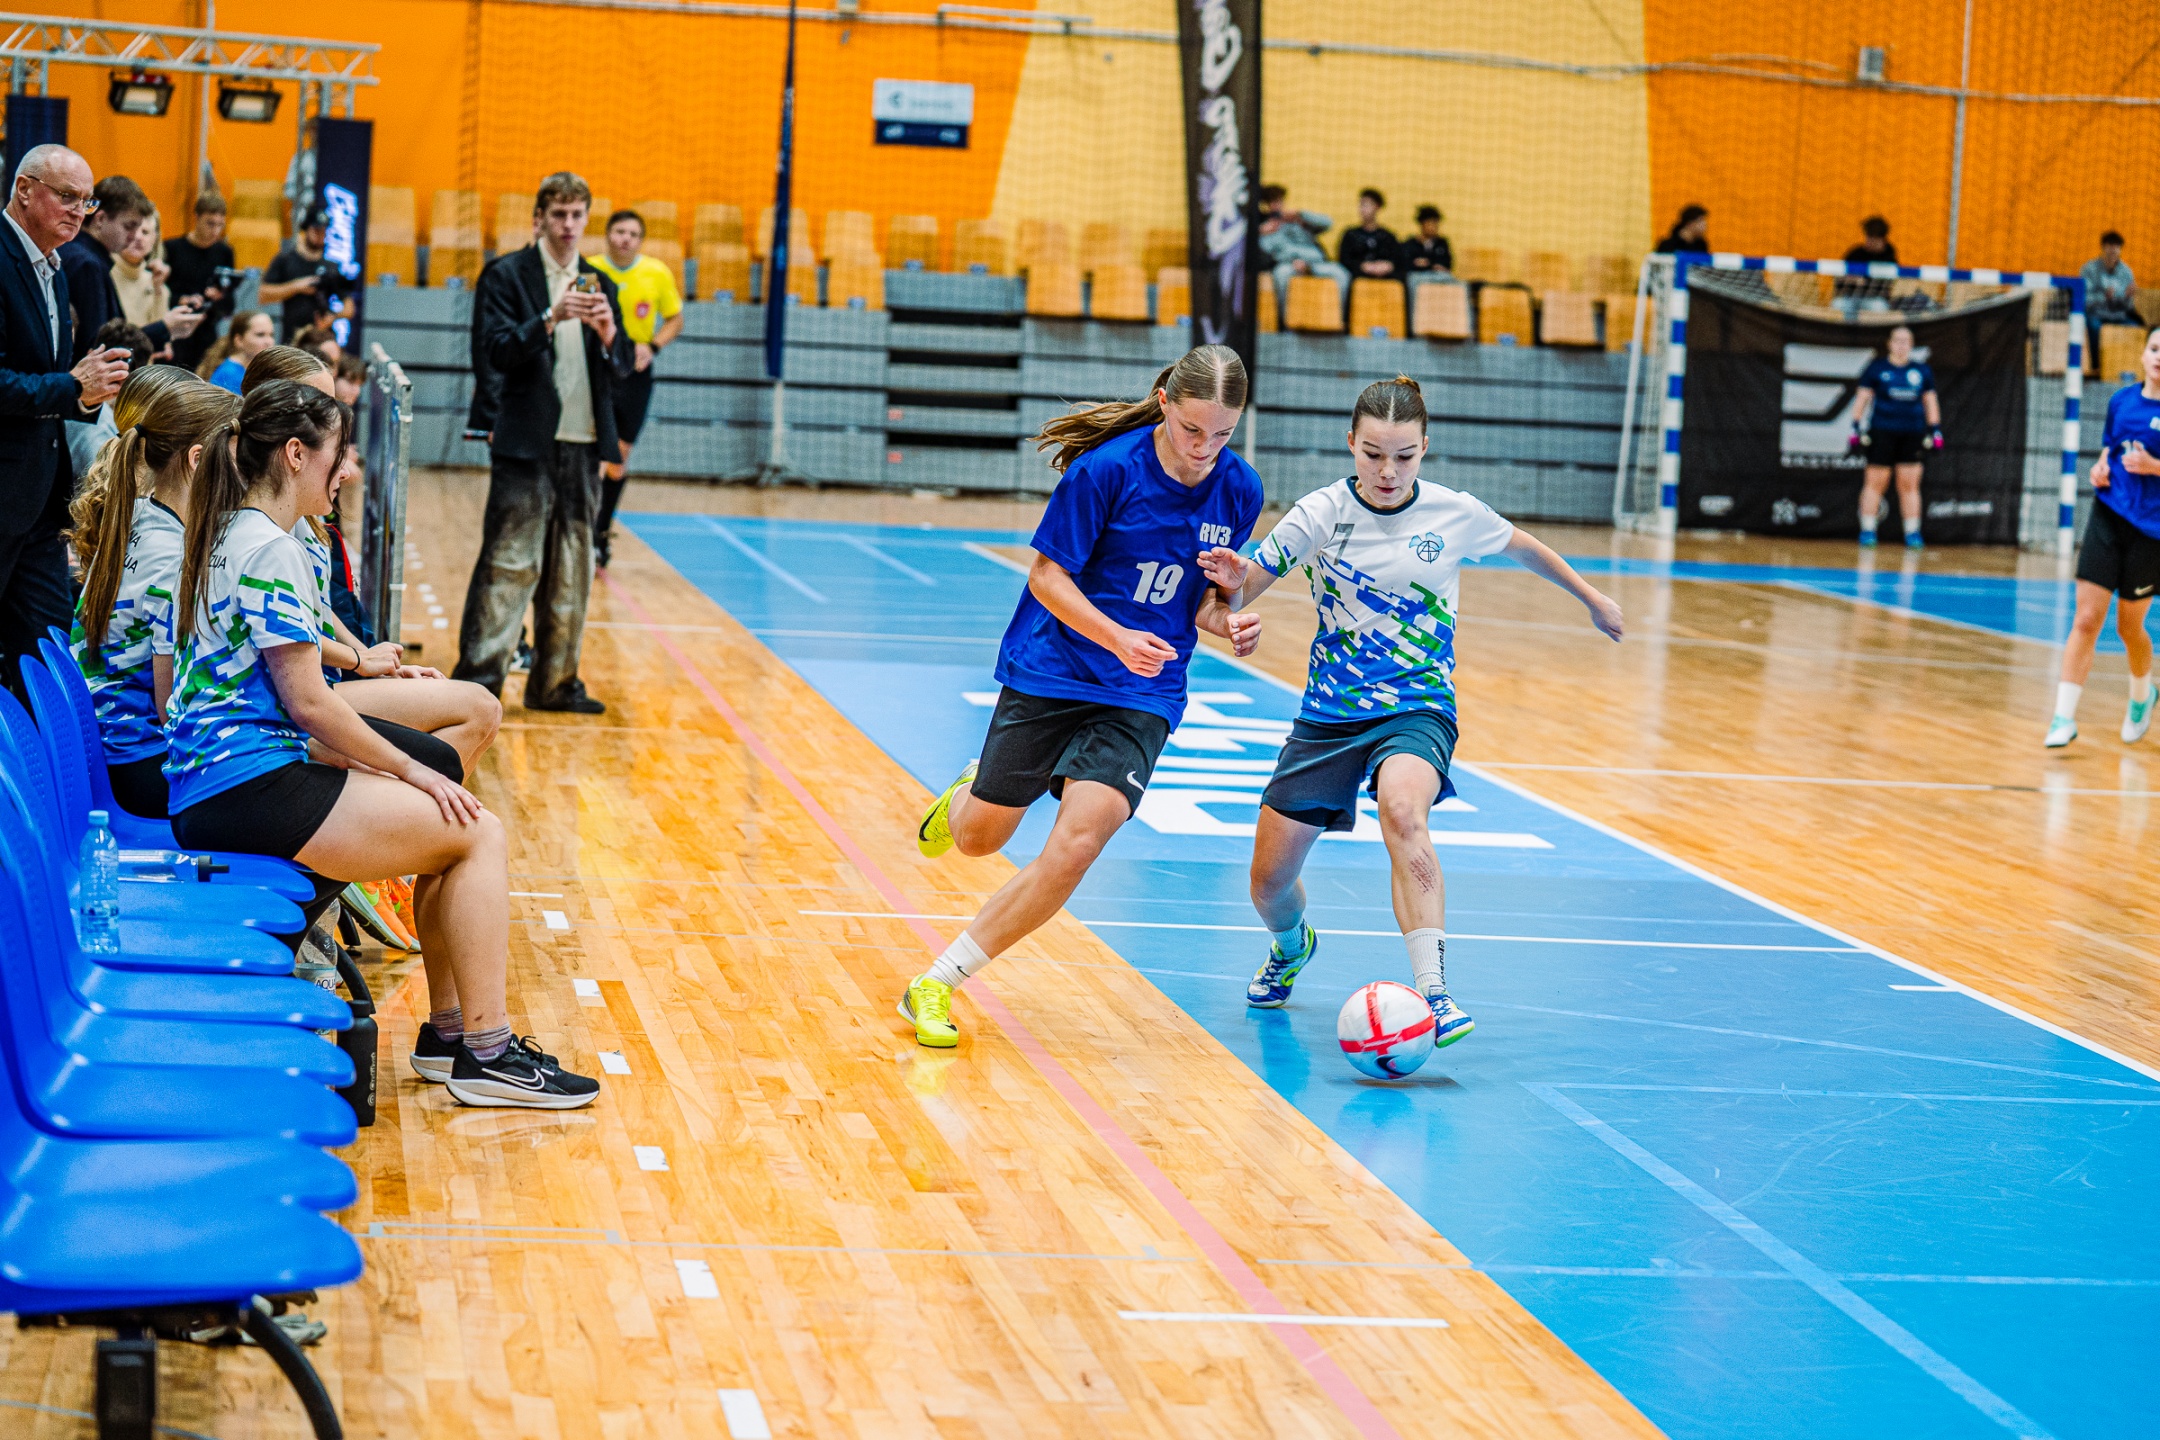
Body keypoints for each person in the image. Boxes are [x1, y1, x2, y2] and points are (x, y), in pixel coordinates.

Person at [166, 379, 598, 1107]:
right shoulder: (269, 547)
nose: (347, 469)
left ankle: (452, 1038)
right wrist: (410, 772)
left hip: (222, 778)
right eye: (337, 454)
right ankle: (486, 1054)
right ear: (296, 455)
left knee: (449, 831)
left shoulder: (232, 532)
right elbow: (309, 704)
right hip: (244, 786)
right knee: (477, 832)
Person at [1196, 376, 1623, 1044]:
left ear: (1425, 448)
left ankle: (1436, 991)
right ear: (1351, 444)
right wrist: (1230, 599)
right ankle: (1291, 946)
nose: (1388, 471)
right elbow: (1240, 591)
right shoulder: (1319, 513)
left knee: (1403, 809)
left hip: (1418, 704)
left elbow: (1524, 547)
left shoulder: (1454, 513)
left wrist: (1592, 598)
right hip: (1330, 713)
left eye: (1403, 455)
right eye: (1373, 454)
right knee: (1268, 884)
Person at [904, 346, 1264, 1047]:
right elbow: (1046, 578)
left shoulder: (1239, 488)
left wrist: (1230, 620)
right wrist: (1117, 637)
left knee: (1077, 844)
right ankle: (969, 794)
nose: (1204, 447)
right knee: (979, 841)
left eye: (1222, 433)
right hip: (1055, 667)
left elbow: (1202, 603)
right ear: (1164, 403)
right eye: (1192, 429)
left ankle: (937, 981)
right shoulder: (1106, 471)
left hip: (1143, 689)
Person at [243, 343, 503, 775]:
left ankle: (410, 804)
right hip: (278, 713)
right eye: (318, 404)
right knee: (466, 726)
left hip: (303, 691)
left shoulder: (293, 511)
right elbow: (290, 651)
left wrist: (367, 659)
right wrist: (361, 663)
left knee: (476, 717)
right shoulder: (264, 529)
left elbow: (311, 609)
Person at [452, 172, 631, 715]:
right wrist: (550, 318)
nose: (569, 225)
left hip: (583, 442)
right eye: (559, 215)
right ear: (539, 219)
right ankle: (478, 682)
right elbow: (494, 352)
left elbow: (624, 367)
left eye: (577, 215)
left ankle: (555, 683)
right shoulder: (507, 275)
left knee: (573, 569)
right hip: (526, 439)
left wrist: (609, 335)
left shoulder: (602, 284)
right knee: (510, 563)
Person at [68, 368, 240, 817]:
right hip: (137, 765)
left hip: (109, 750)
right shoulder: (174, 559)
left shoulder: (137, 514)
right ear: (199, 460)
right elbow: (171, 710)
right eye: (238, 457)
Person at [1, 143, 132, 695]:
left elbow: (55, 382)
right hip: (5, 491)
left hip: (38, 500)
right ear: (24, 190)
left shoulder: (54, 269)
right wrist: (73, 386)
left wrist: (86, 395)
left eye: (87, 200)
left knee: (48, 652)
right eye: (68, 196)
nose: (80, 211)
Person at [2046, 326, 2160, 749]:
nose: (2159, 357)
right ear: (2143, 354)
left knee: (2129, 627)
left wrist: (2154, 467)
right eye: (2154, 348)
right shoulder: (2121, 401)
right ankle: (2062, 718)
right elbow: (2109, 449)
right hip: (2108, 516)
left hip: (2151, 532)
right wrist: (2100, 468)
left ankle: (2142, 696)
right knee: (2086, 618)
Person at [586, 209, 682, 568]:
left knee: (618, 459)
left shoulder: (656, 272)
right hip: (597, 367)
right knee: (589, 451)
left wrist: (652, 346)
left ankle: (601, 531)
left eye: (633, 234)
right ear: (608, 235)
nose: (625, 239)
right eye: (619, 231)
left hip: (634, 373)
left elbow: (675, 318)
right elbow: (579, 314)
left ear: (640, 241)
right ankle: (579, 530)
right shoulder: (590, 269)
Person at [57, 174, 202, 365]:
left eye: (141, 229)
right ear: (100, 219)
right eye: (129, 226)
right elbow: (99, 349)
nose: (134, 236)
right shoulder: (87, 264)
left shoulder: (82, 255)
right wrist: (164, 328)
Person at [1849, 325, 1942, 548]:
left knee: (1909, 484)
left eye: (1906, 341)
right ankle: (1868, 530)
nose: (1901, 345)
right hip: (1882, 431)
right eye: (1897, 341)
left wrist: (1935, 429)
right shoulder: (1877, 368)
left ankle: (1912, 532)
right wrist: (1855, 426)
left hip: (1912, 433)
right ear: (1890, 344)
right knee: (1875, 482)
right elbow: (1862, 397)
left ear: (1911, 345)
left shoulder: (1921, 371)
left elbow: (1930, 400)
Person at [162, 191, 235, 373]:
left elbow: (229, 304)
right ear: (196, 217)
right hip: (176, 331)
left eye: (220, 225)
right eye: (210, 223)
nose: (215, 231)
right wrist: (182, 300)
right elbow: (158, 294)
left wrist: (218, 297)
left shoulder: (224, 252)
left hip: (206, 332)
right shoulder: (172, 248)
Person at [1258, 184, 1349, 307]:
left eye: (1279, 201)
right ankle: (1284, 318)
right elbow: (1266, 250)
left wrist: (1301, 214)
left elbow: (1328, 223)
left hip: (1315, 263)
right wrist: (1260, 232)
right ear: (1267, 205)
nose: (1277, 205)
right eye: (1272, 202)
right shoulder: (1269, 228)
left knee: (1341, 274)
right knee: (1280, 274)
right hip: (1290, 264)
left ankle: (1339, 316)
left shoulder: (1299, 220)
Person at [260, 208, 331, 341]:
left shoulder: (331, 266)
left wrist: (333, 317)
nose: (320, 236)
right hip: (292, 335)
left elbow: (349, 307)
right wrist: (297, 286)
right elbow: (263, 294)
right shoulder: (285, 260)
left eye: (323, 232)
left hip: (321, 335)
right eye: (316, 230)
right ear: (306, 229)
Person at [111, 206, 170, 334]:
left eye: (145, 232)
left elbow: (162, 338)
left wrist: (158, 291)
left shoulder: (158, 285)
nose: (138, 237)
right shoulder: (104, 273)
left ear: (154, 239)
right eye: (132, 229)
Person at [197, 308, 276, 392]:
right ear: (239, 340)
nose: (269, 342)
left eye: (271, 335)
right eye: (260, 335)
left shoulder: (259, 370)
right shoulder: (229, 374)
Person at [1838, 216, 1898, 314]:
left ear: (1882, 239)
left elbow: (1884, 286)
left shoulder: (1889, 259)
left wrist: (1862, 280)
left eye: (1873, 239)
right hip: (1851, 296)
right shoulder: (1855, 253)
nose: (1869, 242)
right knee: (1838, 304)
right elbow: (1840, 277)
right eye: (1868, 237)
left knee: (1878, 307)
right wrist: (1849, 279)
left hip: (1875, 299)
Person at [2081, 232, 2141, 329]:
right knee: (2094, 327)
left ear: (2120, 249)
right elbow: (2084, 299)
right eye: (2110, 245)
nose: (2113, 250)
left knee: (2134, 327)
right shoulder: (2089, 269)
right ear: (2103, 247)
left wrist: (2127, 297)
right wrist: (2104, 297)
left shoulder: (2126, 272)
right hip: (2096, 315)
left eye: (2117, 246)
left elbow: (2129, 307)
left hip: (2119, 316)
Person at [1337, 188, 1399, 282]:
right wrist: (1362, 266)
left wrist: (1388, 265)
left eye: (1367, 205)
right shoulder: (1350, 234)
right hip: (1356, 278)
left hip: (1384, 278)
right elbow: (1344, 260)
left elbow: (1398, 260)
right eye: (1361, 204)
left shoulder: (1388, 236)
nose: (1362, 209)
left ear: (1377, 207)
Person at [1400, 205, 1453, 278]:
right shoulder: (1410, 244)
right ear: (1422, 224)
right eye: (1429, 223)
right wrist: (1430, 266)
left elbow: (1447, 264)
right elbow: (1406, 264)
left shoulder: (1442, 243)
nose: (1433, 227)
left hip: (1439, 277)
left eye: (1435, 223)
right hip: (1418, 277)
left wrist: (1428, 264)